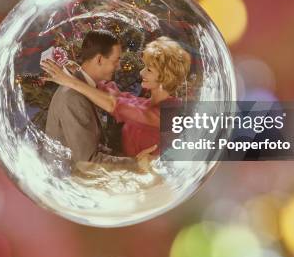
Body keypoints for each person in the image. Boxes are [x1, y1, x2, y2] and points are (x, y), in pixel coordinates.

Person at [42, 36, 191, 157]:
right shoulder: (144, 103)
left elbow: (113, 104)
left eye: (149, 70)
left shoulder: (169, 114)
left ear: (165, 77)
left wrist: (70, 81)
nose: (141, 73)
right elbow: (110, 92)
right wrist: (78, 71)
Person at [44, 30, 155, 166]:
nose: (119, 66)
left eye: (149, 69)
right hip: (71, 180)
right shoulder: (74, 97)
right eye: (116, 60)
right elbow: (87, 162)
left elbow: (114, 102)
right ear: (99, 59)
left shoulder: (85, 88)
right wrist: (134, 164)